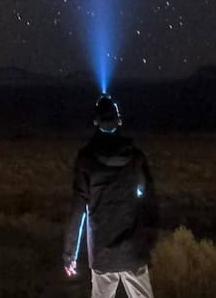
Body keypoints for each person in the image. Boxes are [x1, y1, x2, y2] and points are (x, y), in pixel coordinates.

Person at [62, 95, 158, 298]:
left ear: (95, 121)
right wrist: (149, 241)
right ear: (118, 120)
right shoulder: (136, 157)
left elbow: (78, 209)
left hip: (102, 255)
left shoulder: (86, 159)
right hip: (133, 252)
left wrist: (70, 254)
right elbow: (148, 199)